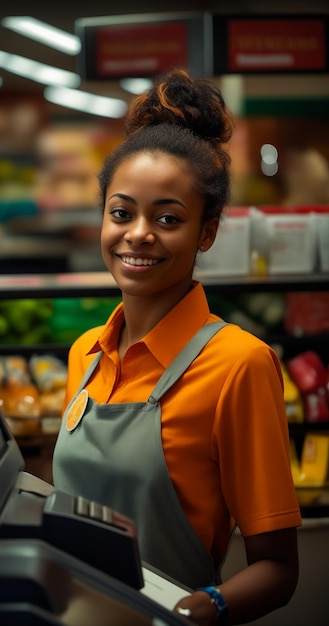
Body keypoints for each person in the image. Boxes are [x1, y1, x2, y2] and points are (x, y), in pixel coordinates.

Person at [52, 68, 301, 626]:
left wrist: (201, 610)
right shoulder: (85, 353)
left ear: (206, 233)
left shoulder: (239, 365)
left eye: (168, 219)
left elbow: (279, 569)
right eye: (121, 213)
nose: (138, 234)